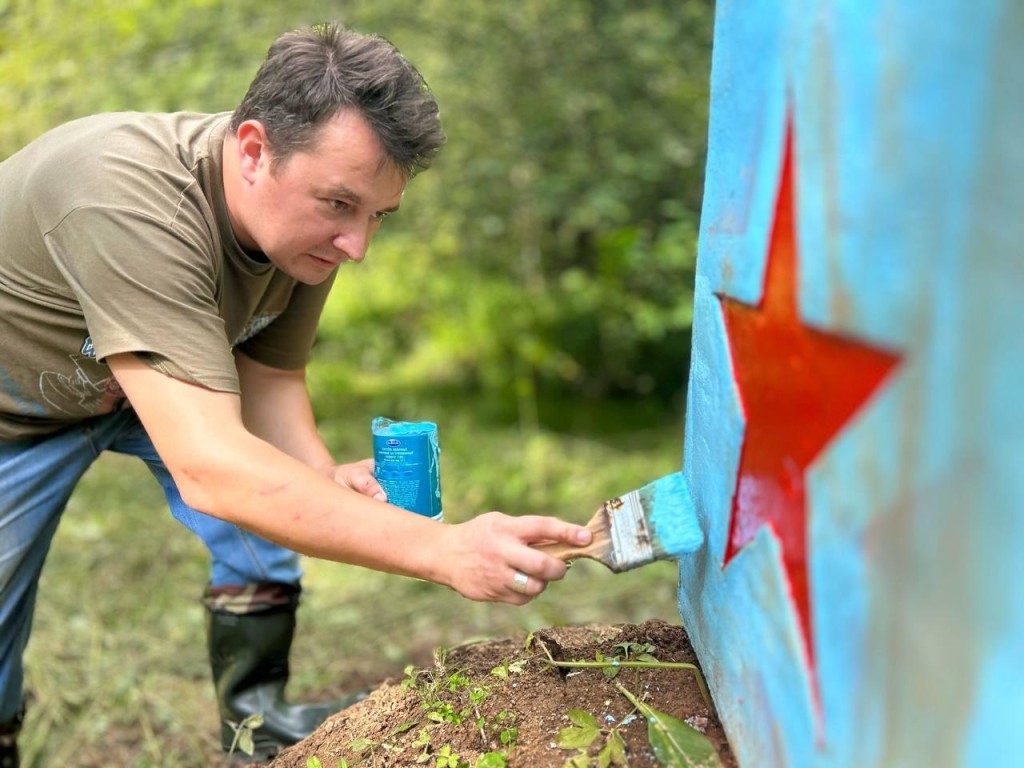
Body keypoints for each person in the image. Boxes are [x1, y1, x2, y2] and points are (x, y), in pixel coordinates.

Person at [0, 22, 592, 765]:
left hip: (145, 381)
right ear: (252, 150)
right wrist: (443, 550)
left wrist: (318, 476)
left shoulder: (298, 228)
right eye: (341, 205)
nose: (358, 246)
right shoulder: (123, 202)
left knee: (267, 525)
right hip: (13, 409)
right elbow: (213, 469)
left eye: (378, 215)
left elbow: (269, 376)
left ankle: (256, 723)